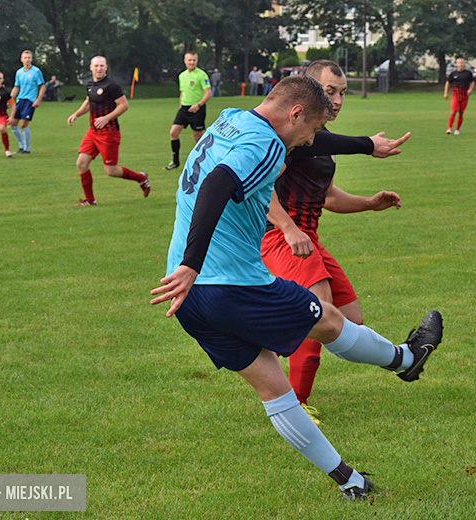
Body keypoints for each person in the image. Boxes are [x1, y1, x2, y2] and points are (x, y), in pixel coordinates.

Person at [149, 74, 442, 500]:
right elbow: (217, 184)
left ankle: (351, 482)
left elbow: (269, 154)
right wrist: (195, 263)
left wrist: (363, 144)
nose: (310, 142)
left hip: (188, 297)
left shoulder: (230, 120)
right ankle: (406, 359)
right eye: (311, 130)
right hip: (232, 284)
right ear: (296, 113)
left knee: (273, 389)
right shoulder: (266, 145)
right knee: (328, 320)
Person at [261, 60, 411, 425]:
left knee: (349, 322)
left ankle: (262, 333)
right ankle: (294, 404)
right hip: (280, 236)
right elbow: (259, 187)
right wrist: (287, 227)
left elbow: (326, 197)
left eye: (342, 92)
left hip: (307, 238)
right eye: (330, 92)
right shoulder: (289, 136)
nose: (339, 100)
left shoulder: (315, 139)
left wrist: (369, 204)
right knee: (319, 307)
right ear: (306, 91)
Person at [67, 56, 150, 206]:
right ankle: (90, 200)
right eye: (96, 66)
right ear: (91, 67)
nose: (99, 68)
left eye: (101, 66)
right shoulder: (90, 84)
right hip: (93, 132)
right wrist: (76, 114)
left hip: (109, 133)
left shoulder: (112, 86)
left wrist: (107, 117)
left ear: (106, 68)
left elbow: (124, 105)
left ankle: (141, 178)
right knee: (81, 163)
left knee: (111, 171)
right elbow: (88, 102)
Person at [163, 51, 212, 171]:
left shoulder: (201, 75)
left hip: (197, 109)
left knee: (197, 137)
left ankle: (206, 162)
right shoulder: (182, 75)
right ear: (185, 61)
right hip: (184, 109)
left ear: (197, 61)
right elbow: (182, 92)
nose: (191, 62)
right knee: (173, 132)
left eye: (194, 60)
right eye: (189, 60)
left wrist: (198, 105)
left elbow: (208, 93)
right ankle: (175, 162)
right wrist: (181, 107)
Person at [8, 50, 46, 154]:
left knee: (23, 124)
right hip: (20, 100)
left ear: (31, 59)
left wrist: (38, 100)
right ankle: (21, 146)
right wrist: (10, 100)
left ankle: (27, 149)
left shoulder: (36, 71)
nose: (27, 59)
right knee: (13, 124)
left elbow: (42, 86)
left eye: (29, 57)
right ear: (21, 59)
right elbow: (16, 87)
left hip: (30, 101)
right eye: (25, 58)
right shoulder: (19, 72)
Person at [443, 57, 474, 135]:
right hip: (455, 95)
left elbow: (472, 81)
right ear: (456, 64)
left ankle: (457, 129)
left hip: (464, 96)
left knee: (461, 113)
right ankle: (449, 128)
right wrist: (446, 93)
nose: (461, 64)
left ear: (464, 64)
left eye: (462, 63)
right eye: (459, 63)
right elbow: (448, 83)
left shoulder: (468, 73)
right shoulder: (453, 74)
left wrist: (470, 89)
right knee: (453, 111)